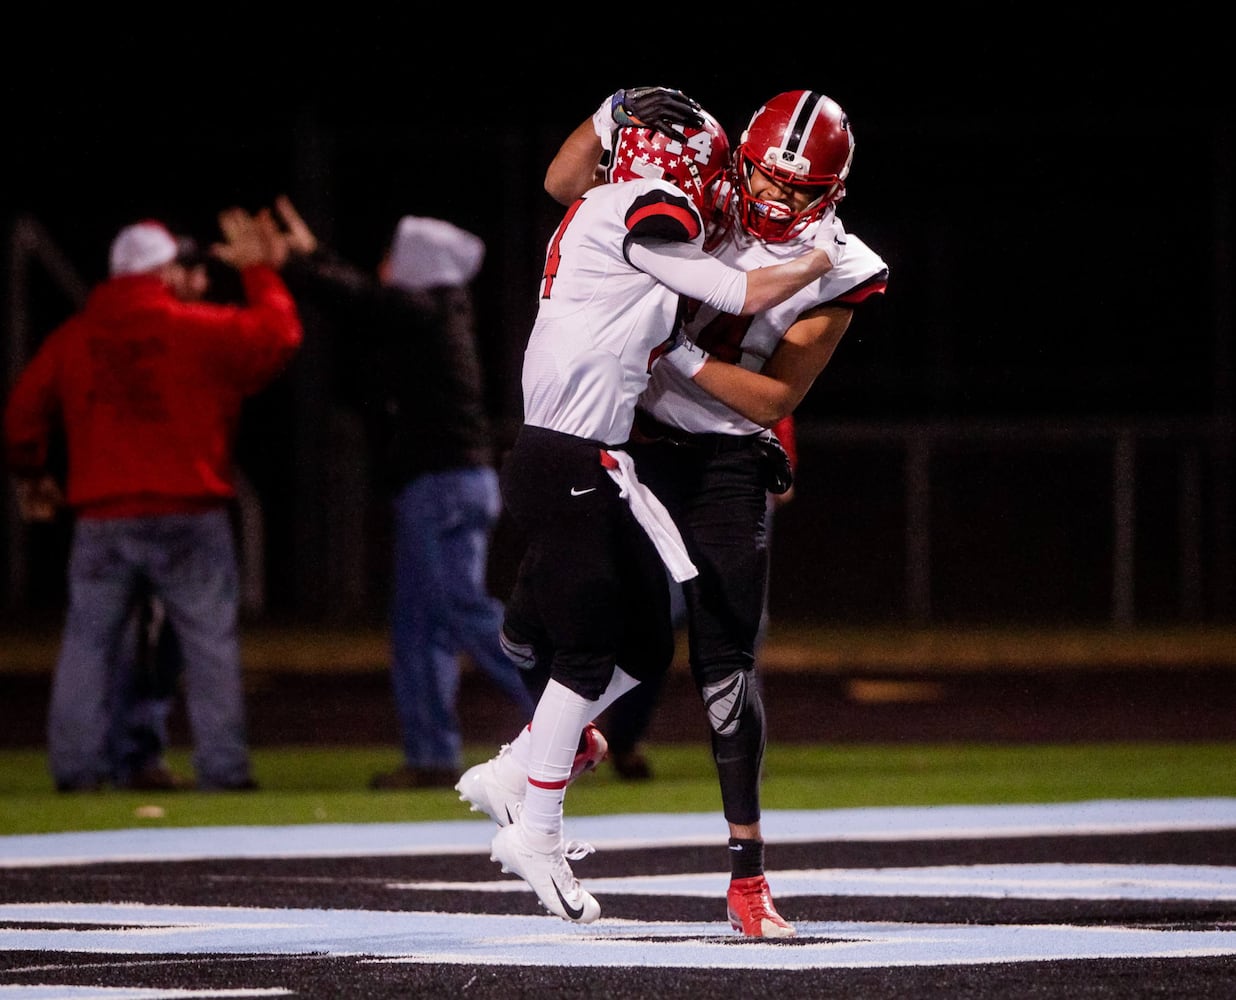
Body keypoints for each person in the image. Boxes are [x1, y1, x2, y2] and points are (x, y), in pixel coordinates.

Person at [483, 86, 890, 938]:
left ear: (834, 192)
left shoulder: (843, 262)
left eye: (799, 191)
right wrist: (605, 112)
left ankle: (747, 877)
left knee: (723, 657)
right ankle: (544, 754)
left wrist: (671, 352)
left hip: (721, 454)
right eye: (765, 182)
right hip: (626, 438)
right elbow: (567, 183)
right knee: (542, 630)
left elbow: (773, 389)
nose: (774, 201)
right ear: (736, 161)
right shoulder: (689, 190)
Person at [3, 212, 303, 792]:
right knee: (209, 646)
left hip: (103, 517)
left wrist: (31, 471)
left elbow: (21, 413)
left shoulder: (76, 335)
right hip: (189, 513)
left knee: (88, 647)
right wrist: (261, 272)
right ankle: (223, 769)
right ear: (160, 270)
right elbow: (278, 336)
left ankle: (75, 772)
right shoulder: (191, 326)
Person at [264, 196, 538, 790]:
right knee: (419, 627)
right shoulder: (432, 310)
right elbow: (366, 297)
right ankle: (432, 756)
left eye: (394, 253)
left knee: (463, 613)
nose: (386, 262)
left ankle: (566, 719)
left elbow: (360, 298)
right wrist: (312, 254)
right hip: (439, 485)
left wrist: (296, 264)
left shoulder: (426, 312)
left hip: (444, 486)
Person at [601, 412, 798, 781]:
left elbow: (769, 390)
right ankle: (617, 740)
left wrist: (781, 454)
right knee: (655, 625)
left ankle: (742, 751)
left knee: (741, 629)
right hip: (669, 481)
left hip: (737, 480)